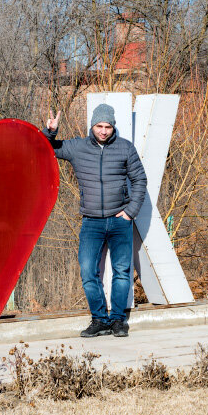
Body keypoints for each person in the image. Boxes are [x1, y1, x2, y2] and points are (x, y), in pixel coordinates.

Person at [43, 104, 147, 338]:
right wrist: (51, 131)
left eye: (107, 126)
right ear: (92, 125)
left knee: (122, 271)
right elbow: (47, 148)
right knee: (88, 270)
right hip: (91, 222)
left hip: (120, 220)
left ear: (113, 127)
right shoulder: (78, 147)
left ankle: (119, 320)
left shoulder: (125, 148)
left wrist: (130, 211)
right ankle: (99, 320)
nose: (103, 131)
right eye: (99, 126)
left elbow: (140, 180)